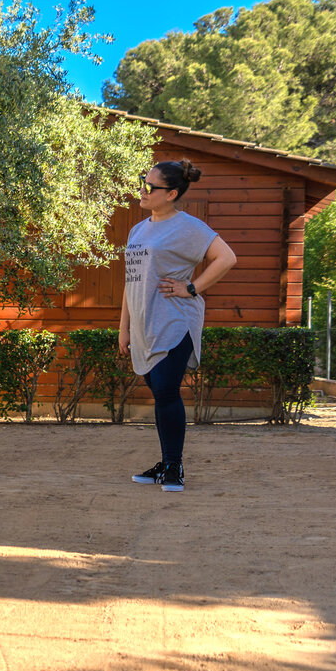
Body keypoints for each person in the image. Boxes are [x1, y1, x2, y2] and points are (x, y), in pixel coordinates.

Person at [119, 159, 238, 492]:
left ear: (171, 193)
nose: (142, 190)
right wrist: (124, 327)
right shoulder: (138, 230)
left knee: (167, 391)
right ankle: (166, 460)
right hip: (144, 324)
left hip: (175, 321)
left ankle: (174, 466)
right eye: (143, 182)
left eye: (150, 186)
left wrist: (192, 287)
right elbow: (131, 282)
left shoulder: (188, 227)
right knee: (159, 392)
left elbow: (226, 257)